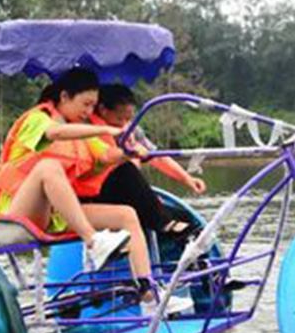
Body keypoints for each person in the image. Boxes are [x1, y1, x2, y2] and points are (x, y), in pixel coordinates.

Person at [0, 68, 190, 314]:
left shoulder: (80, 131)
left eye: (93, 105)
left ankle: (149, 295)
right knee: (48, 167)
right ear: (64, 97)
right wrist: (105, 130)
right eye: (85, 104)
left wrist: (128, 152)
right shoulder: (38, 119)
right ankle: (94, 242)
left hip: (54, 216)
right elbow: (55, 133)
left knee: (126, 215)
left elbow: (105, 155)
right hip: (17, 216)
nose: (89, 111)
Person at [85, 83, 206, 236]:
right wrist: (129, 153)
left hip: (128, 191)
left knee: (184, 217)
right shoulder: (87, 129)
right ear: (103, 110)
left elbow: (156, 157)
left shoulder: (131, 130)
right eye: (119, 118)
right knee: (126, 169)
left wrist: (187, 179)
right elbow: (104, 158)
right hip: (98, 192)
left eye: (128, 118)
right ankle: (164, 223)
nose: (124, 124)